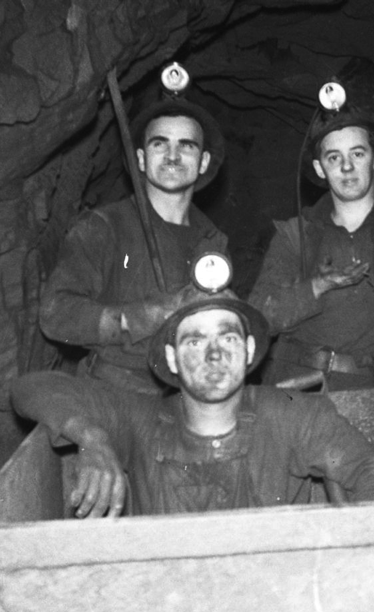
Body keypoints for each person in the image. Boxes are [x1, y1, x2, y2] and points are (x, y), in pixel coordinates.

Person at [12, 290, 374, 517]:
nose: (214, 355)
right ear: (171, 358)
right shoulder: (142, 417)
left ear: (250, 351)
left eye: (228, 338)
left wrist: (359, 547)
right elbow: (30, 388)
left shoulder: (291, 411)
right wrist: (91, 437)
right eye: (195, 341)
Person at [249, 105, 374, 390]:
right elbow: (258, 318)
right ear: (320, 168)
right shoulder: (295, 235)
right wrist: (316, 287)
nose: (346, 167)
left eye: (357, 154)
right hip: (297, 390)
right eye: (334, 158)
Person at [39, 92, 227, 394]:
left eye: (186, 146)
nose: (173, 155)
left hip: (189, 398)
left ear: (203, 162)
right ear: (140, 158)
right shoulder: (104, 226)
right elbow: (57, 315)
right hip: (114, 394)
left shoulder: (213, 241)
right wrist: (152, 315)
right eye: (160, 143)